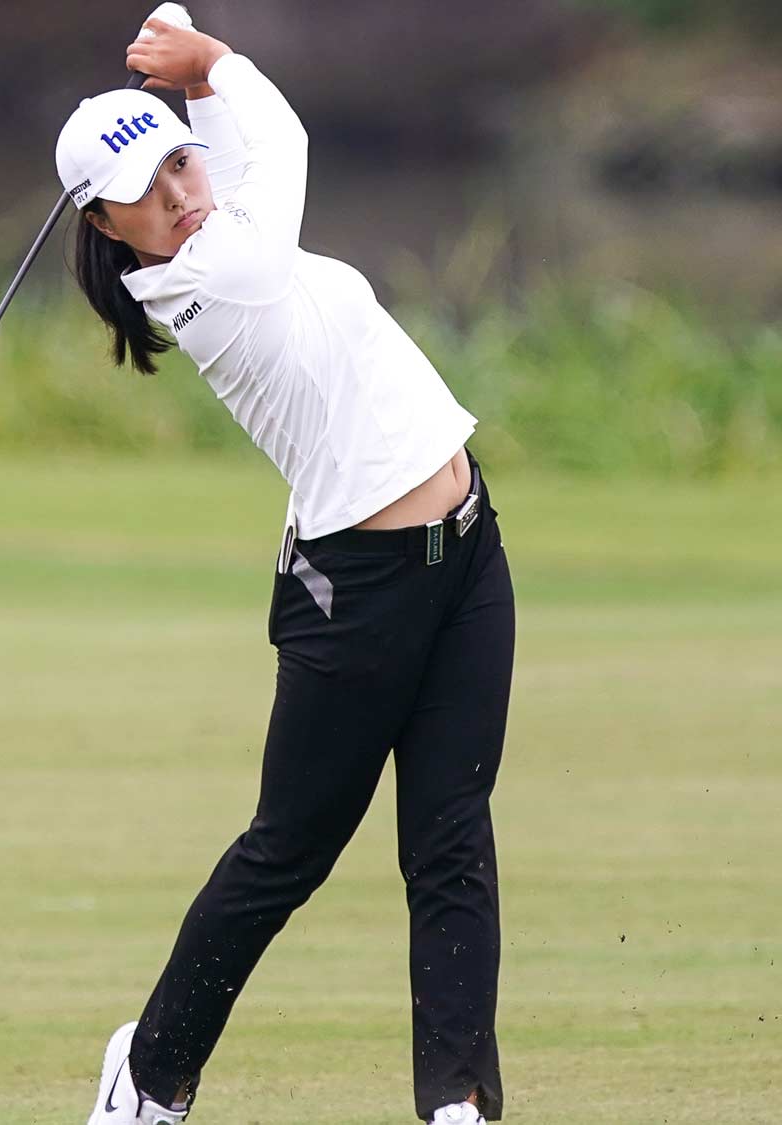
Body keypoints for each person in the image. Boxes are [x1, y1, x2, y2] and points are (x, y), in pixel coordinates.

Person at [56, 16, 514, 1125]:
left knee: (449, 833)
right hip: (350, 593)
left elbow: (246, 157)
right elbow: (287, 145)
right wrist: (209, 62)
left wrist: (194, 88)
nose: (176, 190)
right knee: (288, 852)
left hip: (466, 551)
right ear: (108, 227)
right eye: (143, 186)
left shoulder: (222, 220)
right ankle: (150, 1077)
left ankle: (456, 1104)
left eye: (176, 158)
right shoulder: (204, 279)